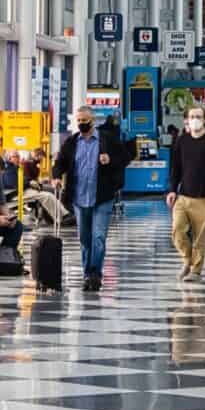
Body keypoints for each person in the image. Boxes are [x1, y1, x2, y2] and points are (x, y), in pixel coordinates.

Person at [56, 105, 127, 289]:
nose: (82, 124)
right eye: (78, 121)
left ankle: (95, 273)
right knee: (84, 239)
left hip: (102, 196)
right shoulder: (71, 143)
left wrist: (110, 160)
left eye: (85, 120)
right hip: (79, 197)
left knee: (98, 237)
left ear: (93, 121)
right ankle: (87, 273)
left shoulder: (107, 140)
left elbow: (125, 156)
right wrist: (56, 176)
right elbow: (60, 162)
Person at [168, 108, 205, 281]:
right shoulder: (182, 140)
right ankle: (187, 259)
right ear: (186, 120)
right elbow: (175, 168)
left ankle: (195, 271)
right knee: (177, 230)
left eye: (198, 117)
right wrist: (171, 190)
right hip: (183, 196)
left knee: (200, 236)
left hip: (204, 198)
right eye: (192, 117)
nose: (195, 120)